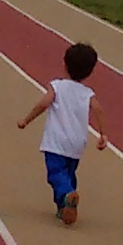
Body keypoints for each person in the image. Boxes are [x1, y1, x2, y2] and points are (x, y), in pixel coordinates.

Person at [18, 40, 109, 224]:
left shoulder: (57, 86)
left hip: (56, 141)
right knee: (69, 173)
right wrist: (103, 134)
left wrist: (26, 120)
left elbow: (43, 104)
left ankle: (67, 195)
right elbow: (99, 110)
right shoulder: (87, 93)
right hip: (77, 143)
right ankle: (64, 207)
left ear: (65, 64)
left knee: (56, 173)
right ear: (90, 71)